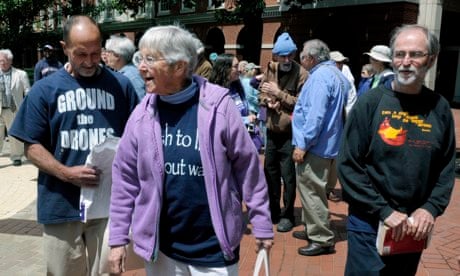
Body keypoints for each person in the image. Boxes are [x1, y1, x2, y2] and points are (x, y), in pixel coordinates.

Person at [107, 25, 274, 275]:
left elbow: (247, 168)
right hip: (162, 250)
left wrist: (261, 222)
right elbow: (125, 180)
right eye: (140, 58)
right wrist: (118, 239)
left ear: (180, 66)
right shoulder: (141, 115)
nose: (141, 67)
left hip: (214, 248)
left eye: (150, 59)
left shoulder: (218, 106)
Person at [9, 15, 138, 275]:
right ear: (64, 47)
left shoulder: (121, 86)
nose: (90, 61)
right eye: (81, 54)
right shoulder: (45, 90)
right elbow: (30, 146)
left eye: (95, 52)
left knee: (109, 271)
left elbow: (137, 138)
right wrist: (65, 173)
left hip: (109, 203)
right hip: (61, 203)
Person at [337, 24, 455, 275]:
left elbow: (445, 167)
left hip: (413, 226)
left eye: (415, 54)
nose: (405, 62)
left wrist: (430, 208)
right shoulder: (371, 103)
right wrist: (385, 211)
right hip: (369, 223)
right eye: (399, 54)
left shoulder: (440, 107)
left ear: (431, 60)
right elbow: (348, 165)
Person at [291, 39, 350, 256]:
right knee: (316, 190)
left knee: (312, 191)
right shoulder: (337, 74)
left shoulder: (319, 78)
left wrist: (303, 145)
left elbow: (315, 115)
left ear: (312, 58)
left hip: (317, 146)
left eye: (303, 56)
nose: (301, 59)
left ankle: (322, 238)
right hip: (332, 145)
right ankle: (312, 228)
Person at [254, 32, 308, 232]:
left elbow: (301, 104)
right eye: (282, 56)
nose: (286, 60)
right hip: (271, 130)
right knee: (270, 173)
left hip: (289, 133)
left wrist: (279, 94)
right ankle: (274, 211)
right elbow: (260, 92)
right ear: (275, 55)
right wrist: (266, 100)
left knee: (288, 175)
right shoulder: (271, 69)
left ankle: (288, 215)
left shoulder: (302, 74)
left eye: (290, 55)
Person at [209, 53, 263, 152]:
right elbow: (219, 119)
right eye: (235, 66)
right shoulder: (215, 92)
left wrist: (249, 116)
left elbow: (243, 107)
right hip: (227, 145)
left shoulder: (237, 87)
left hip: (242, 140)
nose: (239, 70)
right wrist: (245, 120)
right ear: (225, 69)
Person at [0, 49, 31, 166]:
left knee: (13, 134)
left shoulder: (21, 74)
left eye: (4, 61)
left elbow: (28, 91)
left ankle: (16, 156)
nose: (2, 63)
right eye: (0, 61)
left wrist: (26, 108)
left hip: (13, 108)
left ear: (10, 61)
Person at [105, 34, 146, 100]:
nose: (105, 55)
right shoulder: (127, 73)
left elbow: (140, 103)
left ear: (117, 55)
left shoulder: (131, 76)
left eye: (108, 51)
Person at [330, 50, 357, 116]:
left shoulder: (345, 70)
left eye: (342, 62)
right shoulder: (322, 74)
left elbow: (351, 93)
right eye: (338, 63)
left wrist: (347, 113)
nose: (341, 65)